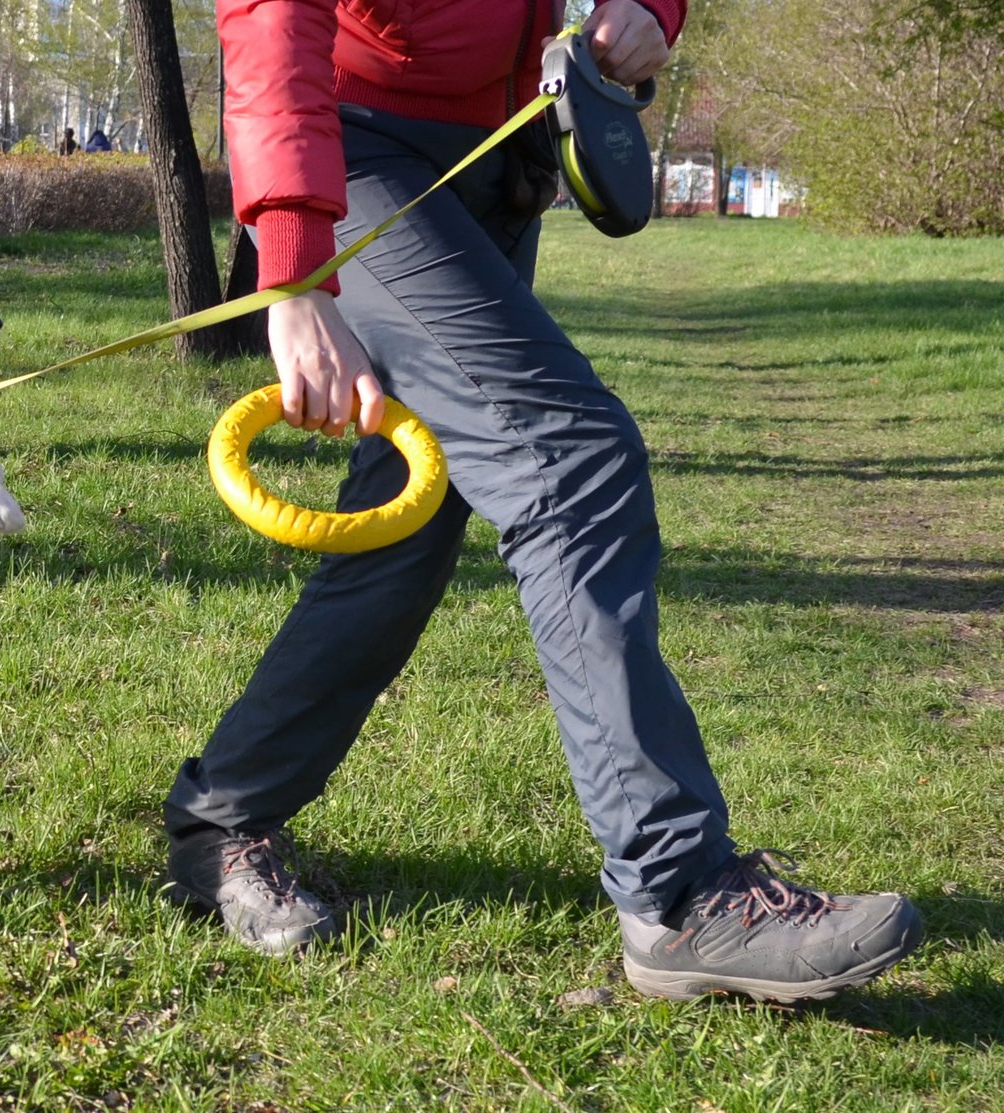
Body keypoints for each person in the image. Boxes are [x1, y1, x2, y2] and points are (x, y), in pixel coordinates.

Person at [162, 0, 923, 1003]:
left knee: (408, 522)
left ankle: (223, 818)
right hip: (354, 150)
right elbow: (270, 19)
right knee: (572, 461)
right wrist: (294, 272)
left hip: (493, 150)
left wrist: (650, 9)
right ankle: (678, 891)